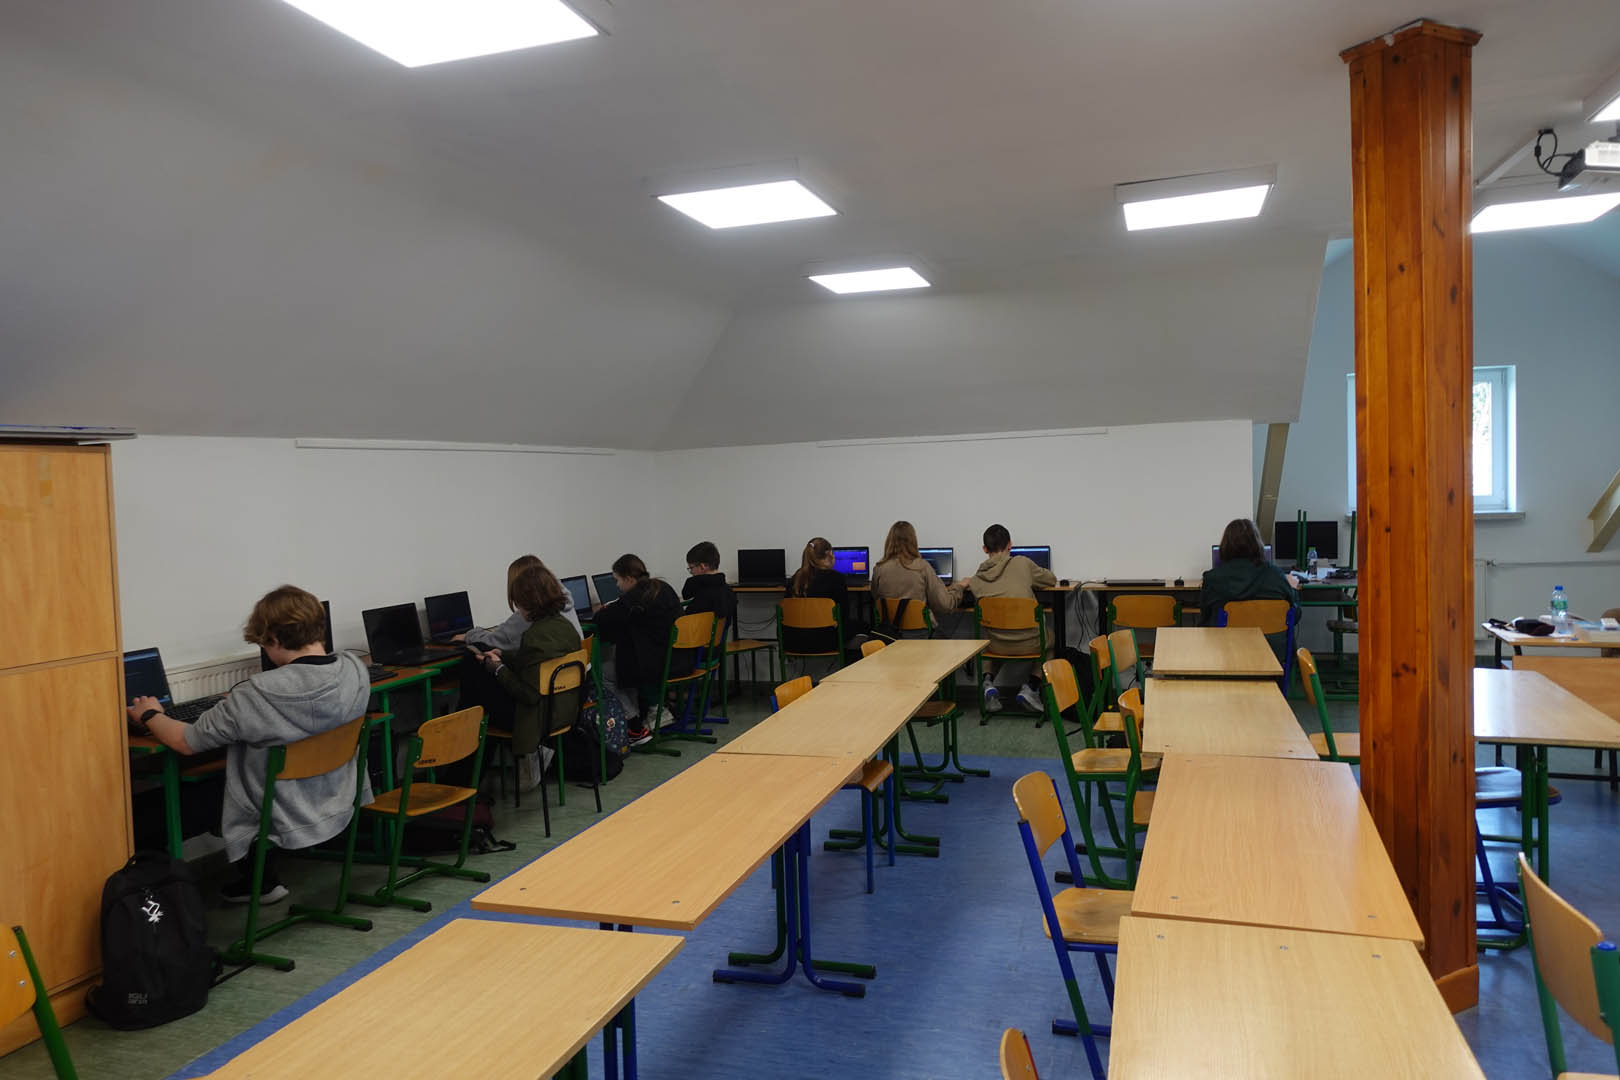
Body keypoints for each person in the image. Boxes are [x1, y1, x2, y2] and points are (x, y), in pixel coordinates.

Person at [127, 585, 372, 905]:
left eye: (264, 643)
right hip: (334, 794)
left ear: (274, 638)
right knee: (236, 772)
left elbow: (185, 742)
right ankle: (260, 880)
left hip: (279, 809)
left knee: (147, 815)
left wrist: (149, 714)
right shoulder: (355, 669)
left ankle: (163, 907)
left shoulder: (256, 694)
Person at [473, 563, 583, 792]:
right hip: (564, 712)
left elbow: (529, 695)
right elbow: (536, 662)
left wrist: (497, 668)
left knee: (478, 700)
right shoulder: (565, 627)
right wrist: (504, 656)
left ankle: (473, 780)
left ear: (529, 603)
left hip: (538, 718)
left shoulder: (533, 636)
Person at [963, 523, 1057, 714]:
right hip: (1029, 643)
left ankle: (987, 683)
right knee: (1051, 638)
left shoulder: (976, 580)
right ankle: (1031, 688)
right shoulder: (1023, 563)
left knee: (992, 638)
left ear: (984, 549)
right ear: (1010, 545)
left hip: (997, 645)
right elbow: (1050, 579)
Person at [590, 553, 683, 745]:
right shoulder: (662, 587)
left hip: (654, 664)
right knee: (623, 661)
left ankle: (633, 725)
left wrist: (605, 608)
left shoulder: (634, 597)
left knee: (602, 672)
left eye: (617, 580)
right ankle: (646, 714)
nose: (617, 585)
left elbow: (600, 619)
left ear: (629, 579)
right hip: (676, 657)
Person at [459, 554, 581, 653]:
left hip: (544, 675)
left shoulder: (529, 618)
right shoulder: (563, 604)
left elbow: (494, 641)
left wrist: (468, 635)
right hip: (579, 672)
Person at [1199, 518, 1299, 626]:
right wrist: (1293, 590)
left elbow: (1205, 620)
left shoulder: (1212, 578)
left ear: (1225, 545)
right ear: (1257, 543)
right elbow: (1295, 616)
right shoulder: (1276, 575)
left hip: (1227, 637)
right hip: (1268, 637)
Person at [870, 520, 964, 628]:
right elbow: (945, 605)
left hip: (888, 631)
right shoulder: (922, 567)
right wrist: (959, 587)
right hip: (919, 633)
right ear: (913, 540)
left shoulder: (879, 568)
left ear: (889, 541)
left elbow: (875, 596)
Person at [785, 536, 849, 655]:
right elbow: (844, 614)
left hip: (793, 642)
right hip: (825, 642)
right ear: (829, 554)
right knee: (864, 627)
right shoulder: (836, 578)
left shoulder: (794, 579)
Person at [681, 540, 737, 638]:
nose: (691, 572)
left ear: (702, 566)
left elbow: (685, 624)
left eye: (691, 568)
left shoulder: (703, 596)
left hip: (696, 644)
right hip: (716, 644)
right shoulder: (728, 592)